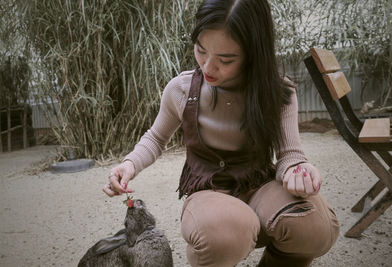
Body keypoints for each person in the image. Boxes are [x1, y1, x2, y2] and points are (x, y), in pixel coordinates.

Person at [103, 0, 340, 266]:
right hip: (209, 192)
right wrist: (129, 164)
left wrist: (298, 169)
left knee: (313, 227)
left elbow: (290, 154)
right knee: (224, 232)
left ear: (253, 53)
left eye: (226, 59)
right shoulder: (180, 90)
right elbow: (156, 138)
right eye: (201, 51)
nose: (208, 67)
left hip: (260, 186)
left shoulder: (278, 91)